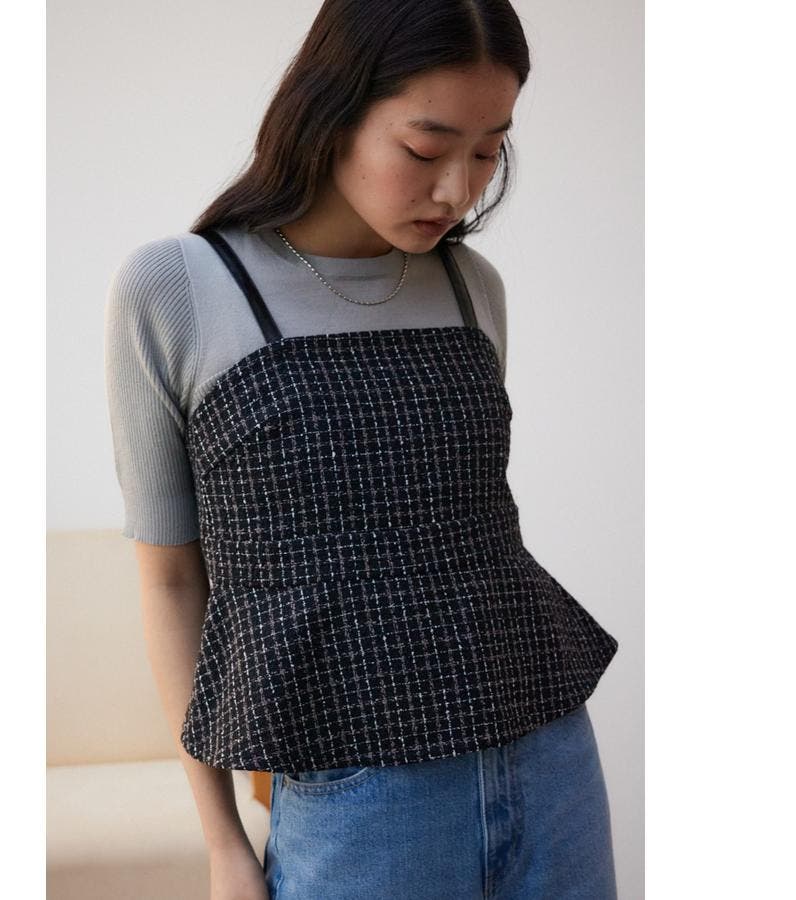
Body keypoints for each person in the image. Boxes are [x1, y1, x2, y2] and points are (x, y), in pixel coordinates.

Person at [104, 1, 620, 898]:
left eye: (489, 151)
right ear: (330, 112)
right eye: (425, 149)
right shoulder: (177, 287)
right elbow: (173, 580)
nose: (457, 191)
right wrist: (224, 842)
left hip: (550, 764)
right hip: (358, 801)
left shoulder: (472, 288)